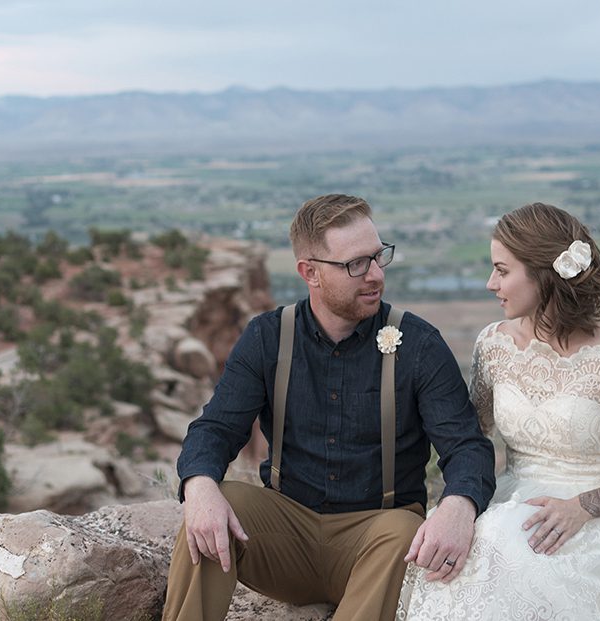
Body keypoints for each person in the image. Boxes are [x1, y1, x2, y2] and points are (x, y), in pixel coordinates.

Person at [162, 194, 496, 621]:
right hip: (286, 533)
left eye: (378, 257)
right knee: (212, 507)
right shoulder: (267, 338)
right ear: (310, 272)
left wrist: (458, 505)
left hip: (378, 538)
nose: (375, 274)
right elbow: (214, 429)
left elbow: (467, 446)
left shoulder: (419, 345)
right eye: (356, 264)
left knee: (404, 532)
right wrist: (199, 487)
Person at [395, 202, 600, 619]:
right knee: (470, 560)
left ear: (543, 273)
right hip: (511, 502)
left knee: (525, 562)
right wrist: (458, 506)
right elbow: (471, 438)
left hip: (597, 520)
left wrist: (582, 507)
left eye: (502, 270)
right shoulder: (492, 345)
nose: (489, 283)